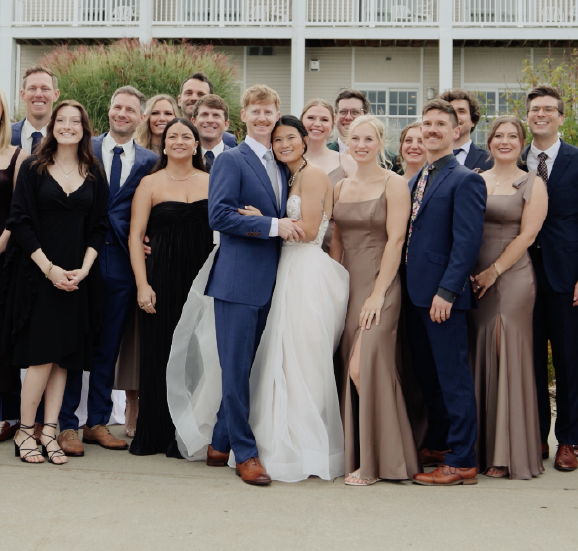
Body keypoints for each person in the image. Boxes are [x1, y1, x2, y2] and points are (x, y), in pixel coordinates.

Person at [167, 115, 349, 482]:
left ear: (303, 139)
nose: (282, 143)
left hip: (288, 278)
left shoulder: (297, 174)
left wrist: (267, 219)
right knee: (236, 369)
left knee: (262, 367)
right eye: (277, 138)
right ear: (246, 116)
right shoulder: (237, 161)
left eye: (289, 137)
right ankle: (244, 453)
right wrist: (269, 223)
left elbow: (308, 227)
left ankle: (221, 442)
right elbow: (219, 215)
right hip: (243, 280)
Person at [1, 100, 109, 464]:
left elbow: (99, 226)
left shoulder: (93, 169)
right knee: (41, 356)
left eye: (74, 121)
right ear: (52, 126)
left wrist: (84, 269)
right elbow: (20, 221)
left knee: (64, 358)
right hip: (38, 275)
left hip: (77, 277)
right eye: (60, 120)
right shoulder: (33, 167)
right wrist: (49, 269)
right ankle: (25, 431)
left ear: (84, 128)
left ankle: (50, 432)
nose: (66, 126)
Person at [57, 86, 158, 457]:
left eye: (130, 110)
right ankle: (66, 423)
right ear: (109, 112)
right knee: (73, 342)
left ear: (140, 117)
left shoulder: (150, 160)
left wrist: (149, 240)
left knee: (108, 345)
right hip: (78, 256)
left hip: (119, 262)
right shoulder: (85, 148)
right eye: (117, 107)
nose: (122, 114)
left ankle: (96, 422)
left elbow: (154, 208)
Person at [329, 115, 419, 485]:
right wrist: (329, 290)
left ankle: (379, 462)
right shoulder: (340, 186)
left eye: (368, 139)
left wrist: (378, 294)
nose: (361, 144)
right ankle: (360, 455)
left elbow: (397, 241)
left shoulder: (394, 184)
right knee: (350, 369)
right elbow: (335, 242)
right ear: (346, 142)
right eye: (354, 138)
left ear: (381, 143)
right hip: (346, 287)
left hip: (381, 285)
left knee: (363, 368)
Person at [406, 99, 486, 486]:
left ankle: (462, 459)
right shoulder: (419, 177)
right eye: (427, 123)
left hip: (441, 299)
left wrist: (448, 292)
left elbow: (467, 243)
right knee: (429, 376)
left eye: (441, 123)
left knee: (453, 378)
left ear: (456, 131)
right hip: (414, 295)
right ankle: (439, 444)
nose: (432, 129)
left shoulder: (465, 179)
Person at [468, 115, 547, 479]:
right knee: (478, 352)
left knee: (504, 349)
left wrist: (493, 272)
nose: (504, 141)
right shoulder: (475, 180)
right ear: (489, 141)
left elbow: (528, 235)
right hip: (473, 277)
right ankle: (481, 447)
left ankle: (506, 452)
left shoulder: (533, 182)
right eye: (498, 135)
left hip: (511, 278)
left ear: (522, 142)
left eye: (512, 136)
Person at [128, 118, 212, 457]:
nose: (179, 141)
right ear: (163, 144)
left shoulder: (213, 180)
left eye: (186, 136)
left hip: (202, 279)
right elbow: (135, 236)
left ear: (196, 145)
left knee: (197, 354)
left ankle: (189, 433)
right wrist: (142, 284)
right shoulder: (150, 183)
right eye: (172, 136)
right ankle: (155, 433)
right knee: (160, 353)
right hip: (160, 278)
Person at [522, 86, 578, 472]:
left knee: (570, 359)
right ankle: (536, 434)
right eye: (534, 109)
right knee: (528, 360)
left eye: (548, 109)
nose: (540, 114)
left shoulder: (576, 159)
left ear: (561, 117)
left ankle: (570, 440)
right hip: (520, 273)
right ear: (528, 117)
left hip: (566, 273)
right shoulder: (511, 157)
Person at [118, 93, 179, 438]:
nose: (160, 117)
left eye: (167, 113)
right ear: (146, 117)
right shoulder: (140, 159)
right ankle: (133, 403)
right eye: (155, 112)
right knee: (134, 338)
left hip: (172, 258)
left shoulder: (184, 149)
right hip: (137, 256)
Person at [0, 87, 27, 443]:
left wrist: (4, 239)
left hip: (4, 256)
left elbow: (20, 210)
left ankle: (7, 414)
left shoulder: (16, 155)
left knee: (2, 335)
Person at [300, 98, 356, 252]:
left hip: (336, 246)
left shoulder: (347, 162)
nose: (317, 124)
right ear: (301, 122)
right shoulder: (288, 161)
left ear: (332, 125)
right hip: (294, 244)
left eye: (324, 119)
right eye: (311, 118)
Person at [327, 89, 401, 174]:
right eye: (343, 111)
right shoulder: (324, 154)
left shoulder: (391, 160)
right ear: (335, 117)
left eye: (355, 112)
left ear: (365, 116)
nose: (348, 117)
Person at [439, 88, 493, 171]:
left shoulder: (490, 160)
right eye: (451, 111)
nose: (456, 117)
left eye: (461, 111)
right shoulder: (428, 158)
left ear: (473, 120)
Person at [178, 72, 237, 148]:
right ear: (179, 100)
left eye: (201, 94)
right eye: (188, 93)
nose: (194, 98)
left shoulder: (228, 140)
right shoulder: (169, 135)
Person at [11, 66, 60, 154]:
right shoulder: (5, 136)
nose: (38, 94)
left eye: (45, 89)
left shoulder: (67, 137)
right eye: (32, 88)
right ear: (23, 94)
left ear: (56, 95)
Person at [191, 94, 232, 173]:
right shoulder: (184, 158)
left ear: (226, 124)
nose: (210, 120)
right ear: (194, 121)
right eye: (204, 115)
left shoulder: (238, 159)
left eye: (216, 116)